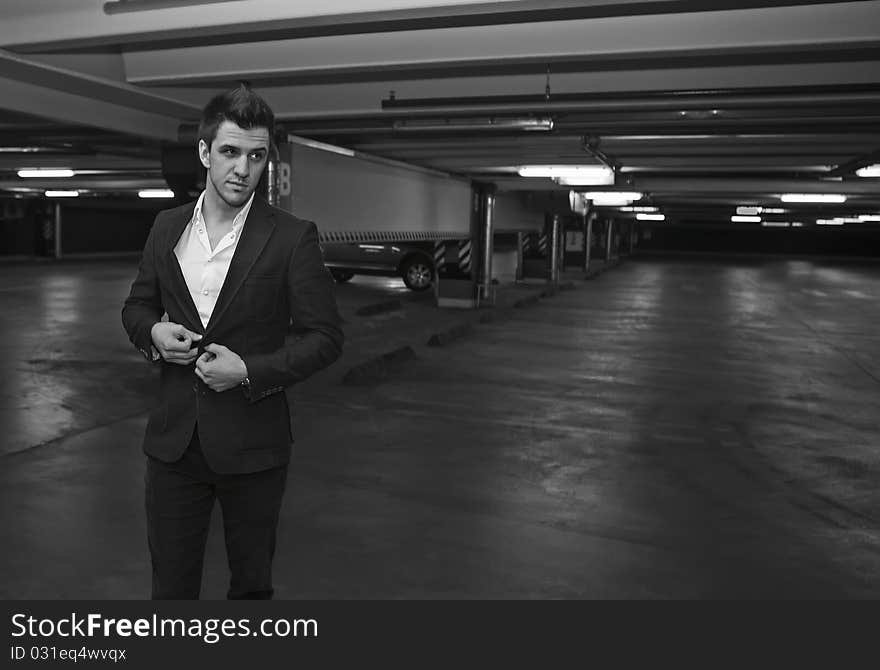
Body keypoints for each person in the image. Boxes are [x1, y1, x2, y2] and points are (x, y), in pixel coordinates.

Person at [122, 85, 343, 599]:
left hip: (254, 447)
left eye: (256, 155)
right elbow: (136, 306)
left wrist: (249, 372)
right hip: (174, 445)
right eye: (229, 152)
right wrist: (153, 333)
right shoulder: (166, 227)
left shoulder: (292, 236)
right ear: (204, 153)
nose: (242, 168)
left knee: (250, 588)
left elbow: (326, 338)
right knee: (171, 588)